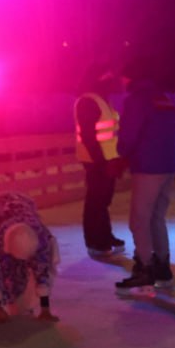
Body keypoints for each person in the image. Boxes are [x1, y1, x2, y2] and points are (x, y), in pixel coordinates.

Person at [114, 57, 175, 293]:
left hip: (148, 166)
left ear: (131, 76)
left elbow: (129, 133)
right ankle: (162, 266)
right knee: (156, 217)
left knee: (139, 219)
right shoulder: (162, 98)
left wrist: (121, 153)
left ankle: (145, 267)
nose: (121, 81)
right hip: (168, 165)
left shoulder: (137, 100)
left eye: (123, 77)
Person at [0, 189, 60, 323]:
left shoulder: (40, 237)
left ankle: (15, 299)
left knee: (33, 269)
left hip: (20, 200)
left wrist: (45, 309)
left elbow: (42, 268)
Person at [74, 63, 127, 257]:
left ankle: (104, 235)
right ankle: (95, 241)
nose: (111, 80)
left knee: (103, 201)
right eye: (107, 76)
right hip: (97, 161)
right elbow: (89, 136)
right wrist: (102, 162)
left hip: (108, 159)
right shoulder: (88, 101)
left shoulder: (101, 99)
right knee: (96, 201)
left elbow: (109, 133)